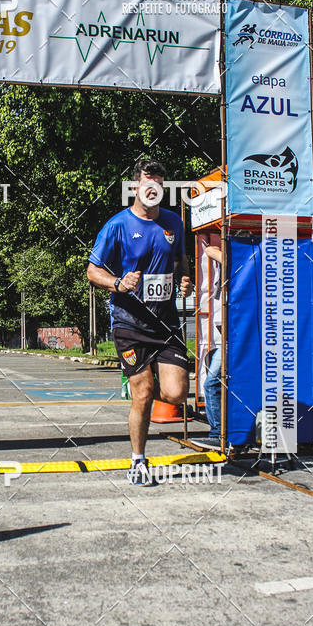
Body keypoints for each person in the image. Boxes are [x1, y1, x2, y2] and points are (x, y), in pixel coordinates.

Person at [87, 158, 193, 484]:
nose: (153, 190)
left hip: (165, 323)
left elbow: (181, 260)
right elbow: (93, 271)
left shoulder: (173, 223)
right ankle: (138, 460)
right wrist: (118, 283)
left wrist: (185, 278)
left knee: (176, 393)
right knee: (144, 394)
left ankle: (138, 386)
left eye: (159, 185)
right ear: (135, 187)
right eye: (148, 184)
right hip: (128, 321)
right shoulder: (117, 225)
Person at [193, 245, 222, 450]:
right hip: (230, 334)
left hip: (236, 337)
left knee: (212, 383)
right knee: (214, 379)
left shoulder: (240, 261)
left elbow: (212, 250)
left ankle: (218, 433)